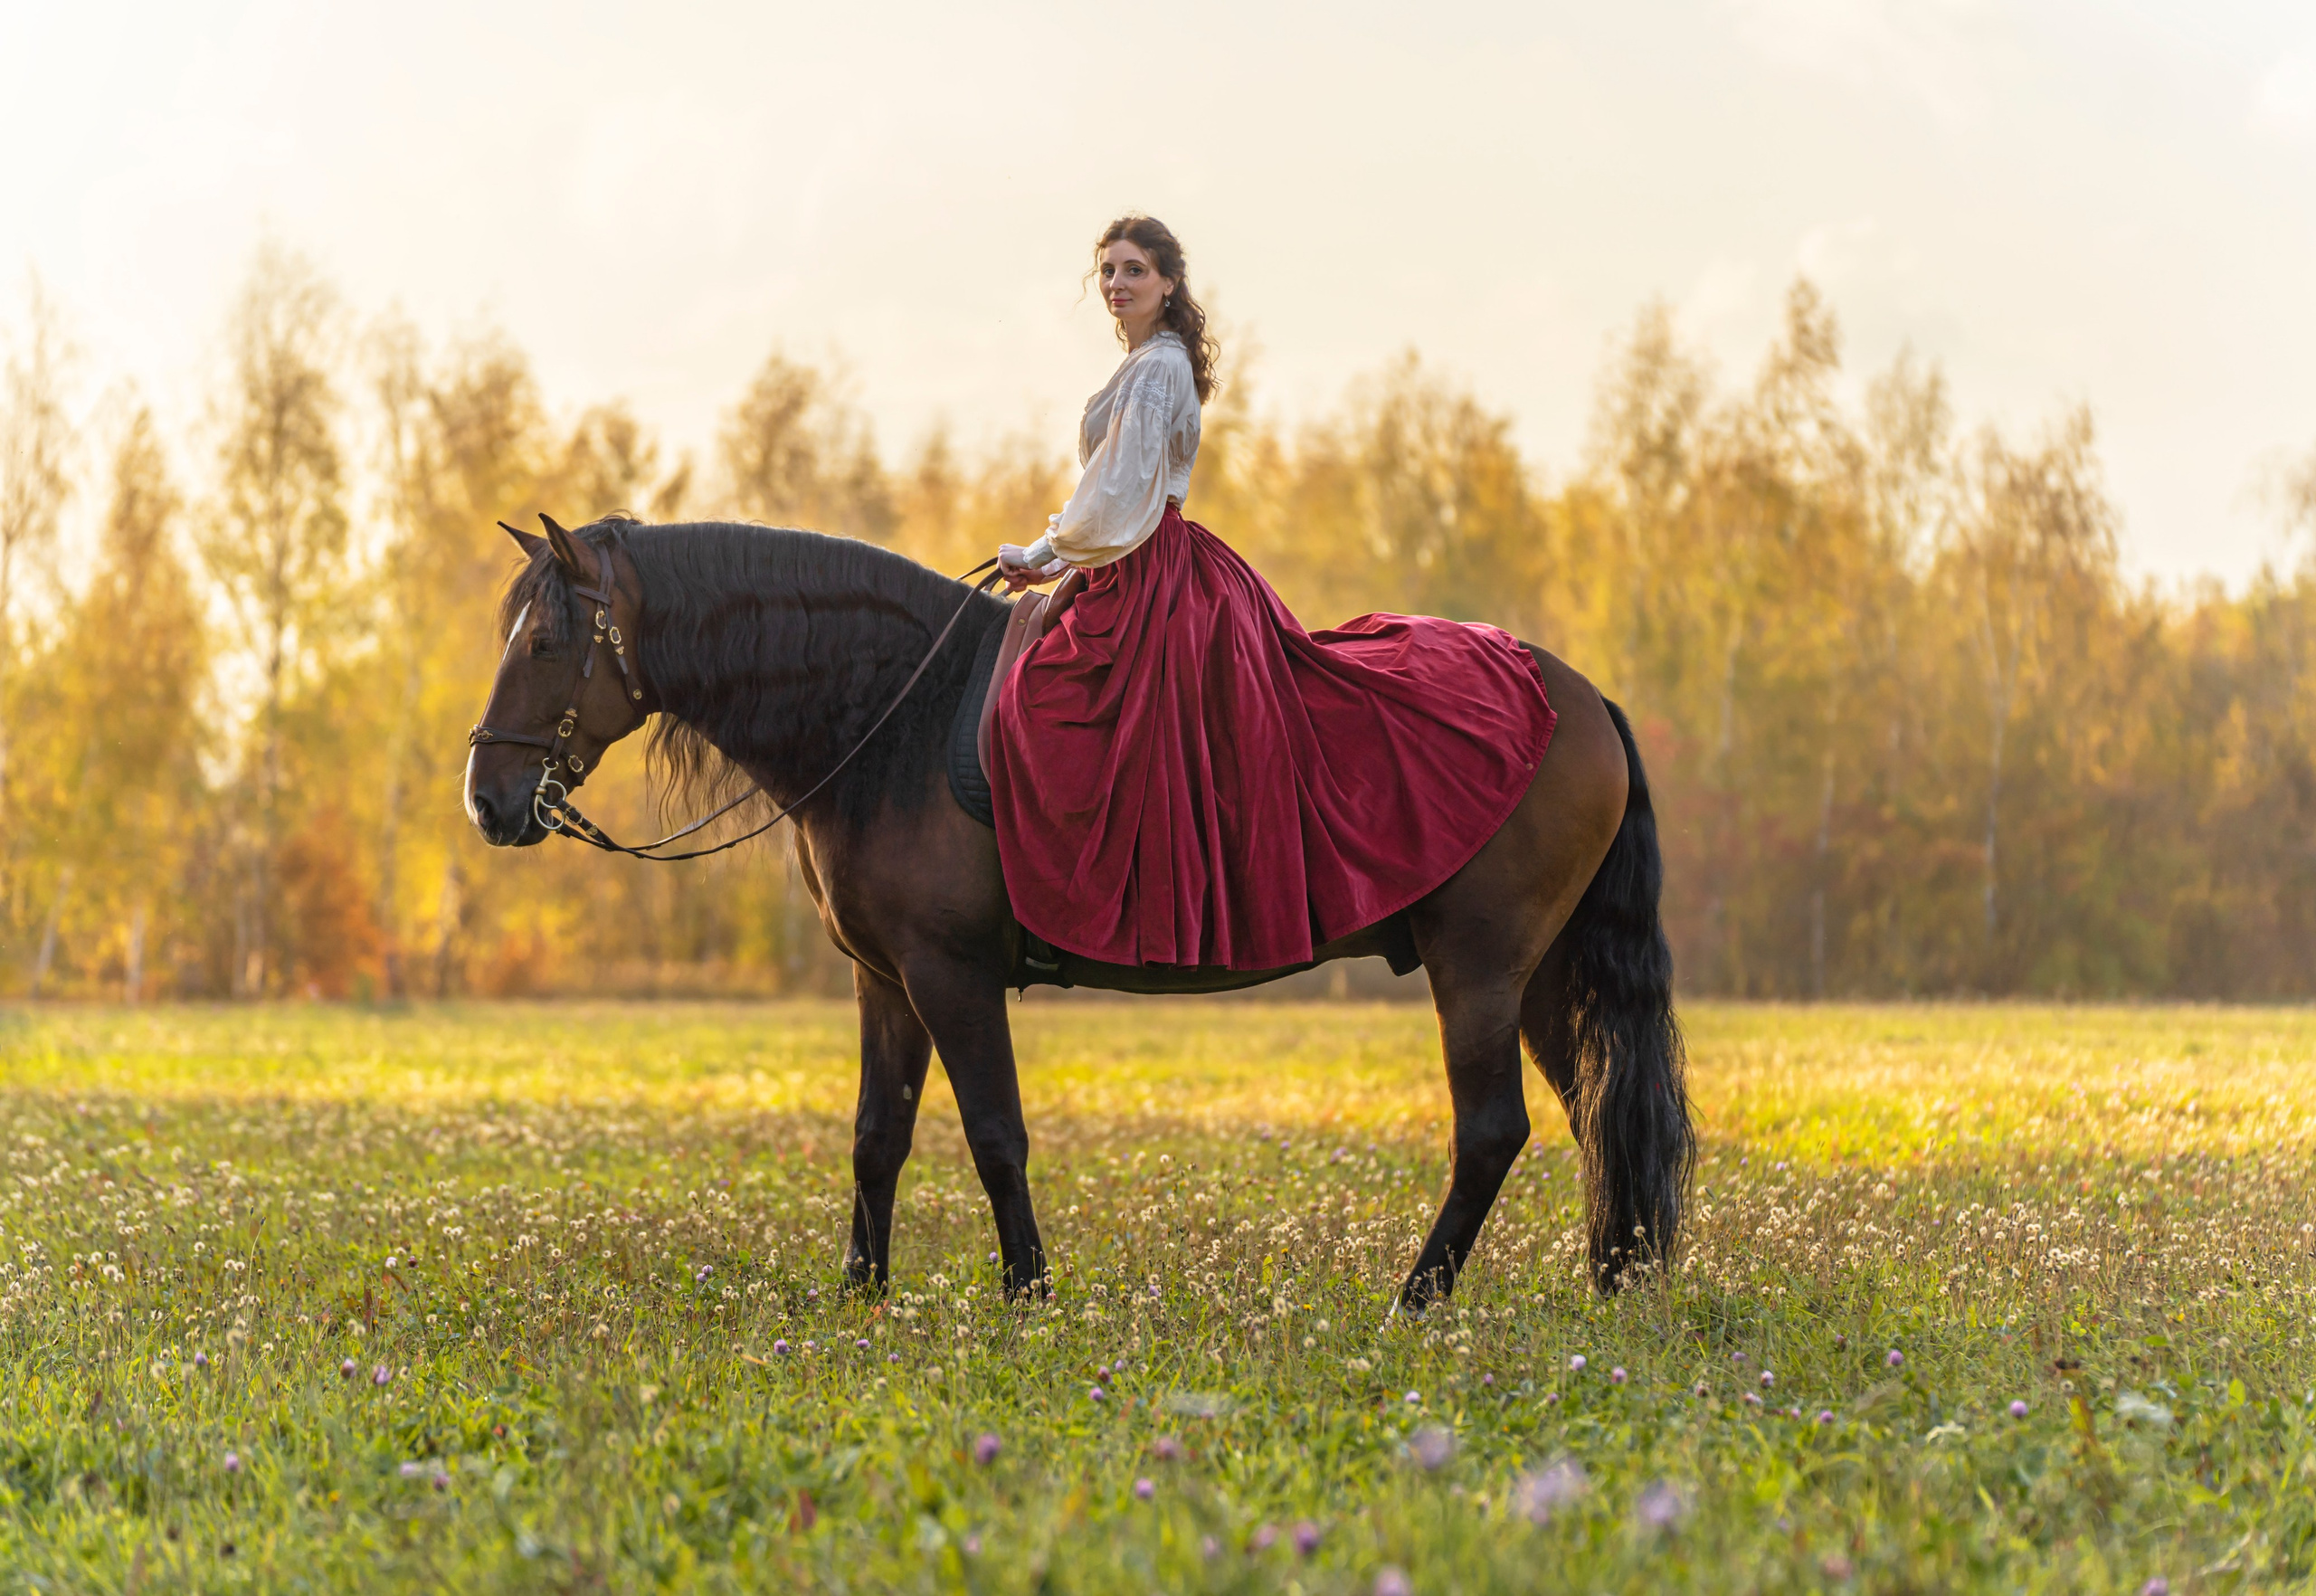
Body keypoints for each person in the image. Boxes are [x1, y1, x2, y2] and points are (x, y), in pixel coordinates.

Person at [989, 215, 1559, 972]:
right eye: (1108, 271)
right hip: (1132, 564)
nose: (1117, 285)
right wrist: (1060, 560)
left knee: (1049, 703)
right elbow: (1113, 494)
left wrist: (1041, 554)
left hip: (1149, 571)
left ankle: (1079, 919)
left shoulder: (1158, 368)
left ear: (1167, 283)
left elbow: (1119, 496)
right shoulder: (1147, 367)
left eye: (1133, 271)